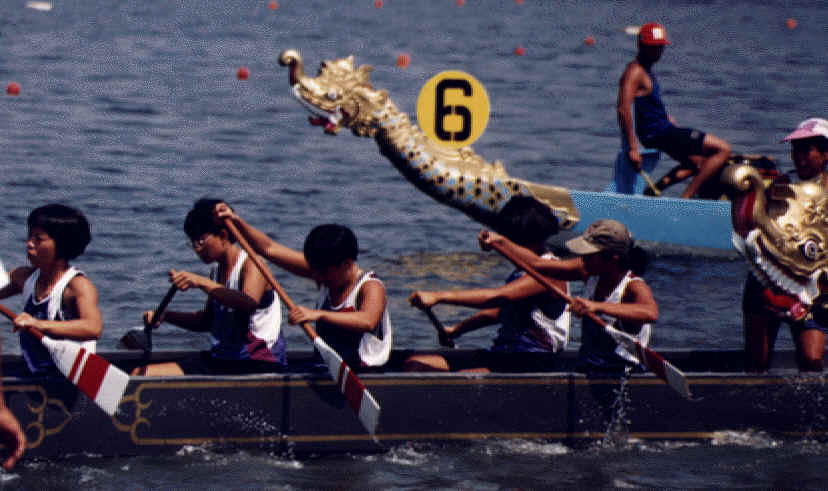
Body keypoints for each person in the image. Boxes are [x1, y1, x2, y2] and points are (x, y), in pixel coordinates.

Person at [214, 204, 392, 371]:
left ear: (346, 264)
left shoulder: (370, 286)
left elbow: (368, 320)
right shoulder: (326, 271)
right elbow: (269, 249)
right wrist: (236, 221)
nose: (317, 278)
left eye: (323, 273)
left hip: (365, 372)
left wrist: (319, 314)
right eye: (315, 270)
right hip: (329, 369)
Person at [404, 196, 570, 372]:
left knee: (462, 379)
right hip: (504, 355)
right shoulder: (521, 272)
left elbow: (499, 297)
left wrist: (439, 296)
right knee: (416, 364)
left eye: (508, 239)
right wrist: (456, 330)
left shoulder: (550, 272)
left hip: (532, 361)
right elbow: (498, 312)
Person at [480, 219, 658, 374]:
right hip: (589, 367)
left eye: (589, 254)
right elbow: (536, 264)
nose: (582, 258)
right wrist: (500, 242)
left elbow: (650, 313)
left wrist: (596, 307)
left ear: (613, 259)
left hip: (621, 374)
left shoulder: (633, 287)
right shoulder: (588, 270)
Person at [132, 199, 286, 376]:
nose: (197, 249)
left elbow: (248, 303)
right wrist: (166, 316)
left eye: (200, 241)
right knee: (140, 374)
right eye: (193, 243)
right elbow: (206, 322)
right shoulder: (216, 271)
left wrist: (201, 282)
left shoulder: (252, 264)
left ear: (223, 235)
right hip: (224, 360)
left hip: (258, 363)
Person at [742, 117, 828, 373]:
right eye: (795, 151)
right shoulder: (779, 187)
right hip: (768, 283)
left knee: (811, 360)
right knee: (757, 364)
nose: (798, 158)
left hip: (814, 287)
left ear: (825, 154)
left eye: (806, 151)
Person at [617, 22, 731, 199]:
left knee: (697, 163)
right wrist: (632, 148)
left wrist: (665, 117)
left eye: (661, 47)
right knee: (723, 149)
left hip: (662, 128)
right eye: (654, 47)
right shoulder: (635, 71)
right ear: (641, 45)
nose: (659, 52)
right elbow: (623, 108)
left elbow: (646, 105)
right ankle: (685, 200)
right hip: (658, 133)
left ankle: (652, 192)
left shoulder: (645, 70)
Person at [0, 204, 102, 378]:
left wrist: (37, 324)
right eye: (29, 236)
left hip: (69, 378)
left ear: (62, 245)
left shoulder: (77, 286)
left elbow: (93, 328)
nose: (29, 244)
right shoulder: (23, 277)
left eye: (38, 239)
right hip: (35, 371)